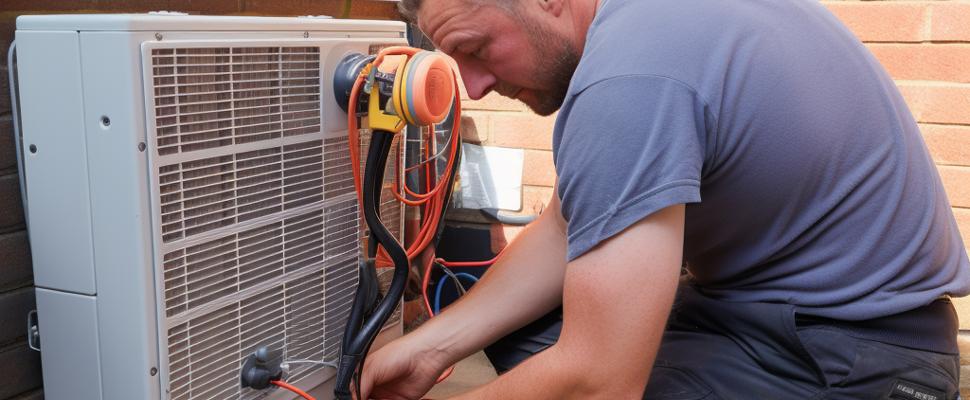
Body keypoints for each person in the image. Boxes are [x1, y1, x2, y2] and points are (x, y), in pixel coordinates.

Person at [360, 0, 970, 398]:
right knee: (527, 332)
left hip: (859, 363)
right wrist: (427, 350)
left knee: (570, 376)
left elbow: (602, 382)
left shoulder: (630, 80)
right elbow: (570, 225)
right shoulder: (645, 20)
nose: (474, 86)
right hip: (774, 315)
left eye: (477, 48)